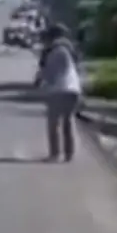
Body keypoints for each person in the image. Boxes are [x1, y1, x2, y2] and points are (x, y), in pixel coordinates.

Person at [35, 23, 82, 161]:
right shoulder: (71, 49)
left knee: (54, 123)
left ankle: (55, 154)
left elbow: (49, 72)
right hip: (74, 89)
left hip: (58, 90)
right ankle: (69, 153)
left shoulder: (54, 50)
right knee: (68, 122)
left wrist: (40, 81)